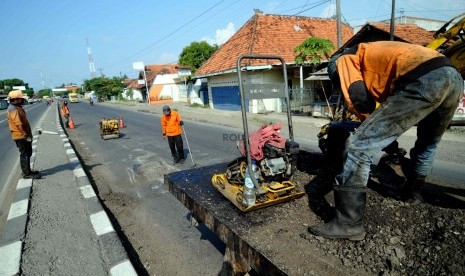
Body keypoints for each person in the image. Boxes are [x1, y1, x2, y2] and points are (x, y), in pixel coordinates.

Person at [308, 41, 464, 241]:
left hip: (424, 78)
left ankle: (348, 224)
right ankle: (411, 193)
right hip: (452, 78)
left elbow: (359, 100)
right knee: (428, 144)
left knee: (358, 146)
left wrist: (370, 134)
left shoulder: (344, 60)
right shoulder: (375, 54)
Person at [7, 90, 42, 179]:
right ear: (15, 99)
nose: (22, 100)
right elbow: (18, 124)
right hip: (21, 136)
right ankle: (26, 173)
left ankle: (28, 171)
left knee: (27, 153)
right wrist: (26, 135)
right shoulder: (13, 109)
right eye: (20, 99)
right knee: (25, 154)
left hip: (22, 135)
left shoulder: (17, 107)